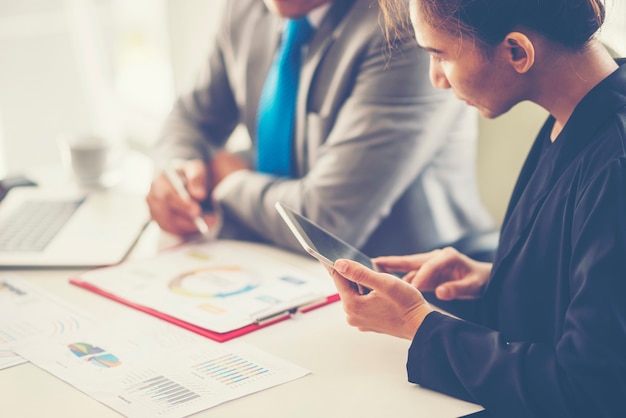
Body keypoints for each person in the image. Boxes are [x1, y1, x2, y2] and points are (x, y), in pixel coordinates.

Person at [327, 0, 626, 416]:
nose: (436, 80)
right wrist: (495, 280)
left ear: (516, 52)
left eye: (440, 55)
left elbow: (589, 389)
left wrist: (419, 324)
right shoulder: (574, 118)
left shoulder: (615, 163)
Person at [145, 0, 494, 258]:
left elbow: (327, 221)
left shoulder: (408, 28)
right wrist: (179, 174)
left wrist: (225, 182)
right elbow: (190, 119)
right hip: (274, 260)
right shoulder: (246, 8)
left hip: (410, 286)